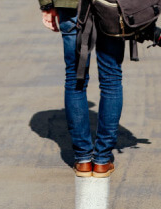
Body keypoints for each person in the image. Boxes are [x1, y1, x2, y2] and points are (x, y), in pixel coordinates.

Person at [39, 1, 125, 178]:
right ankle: (102, 160)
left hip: (70, 5)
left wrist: (47, 4)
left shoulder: (40, 115)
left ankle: (83, 159)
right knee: (111, 78)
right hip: (111, 5)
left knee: (75, 78)